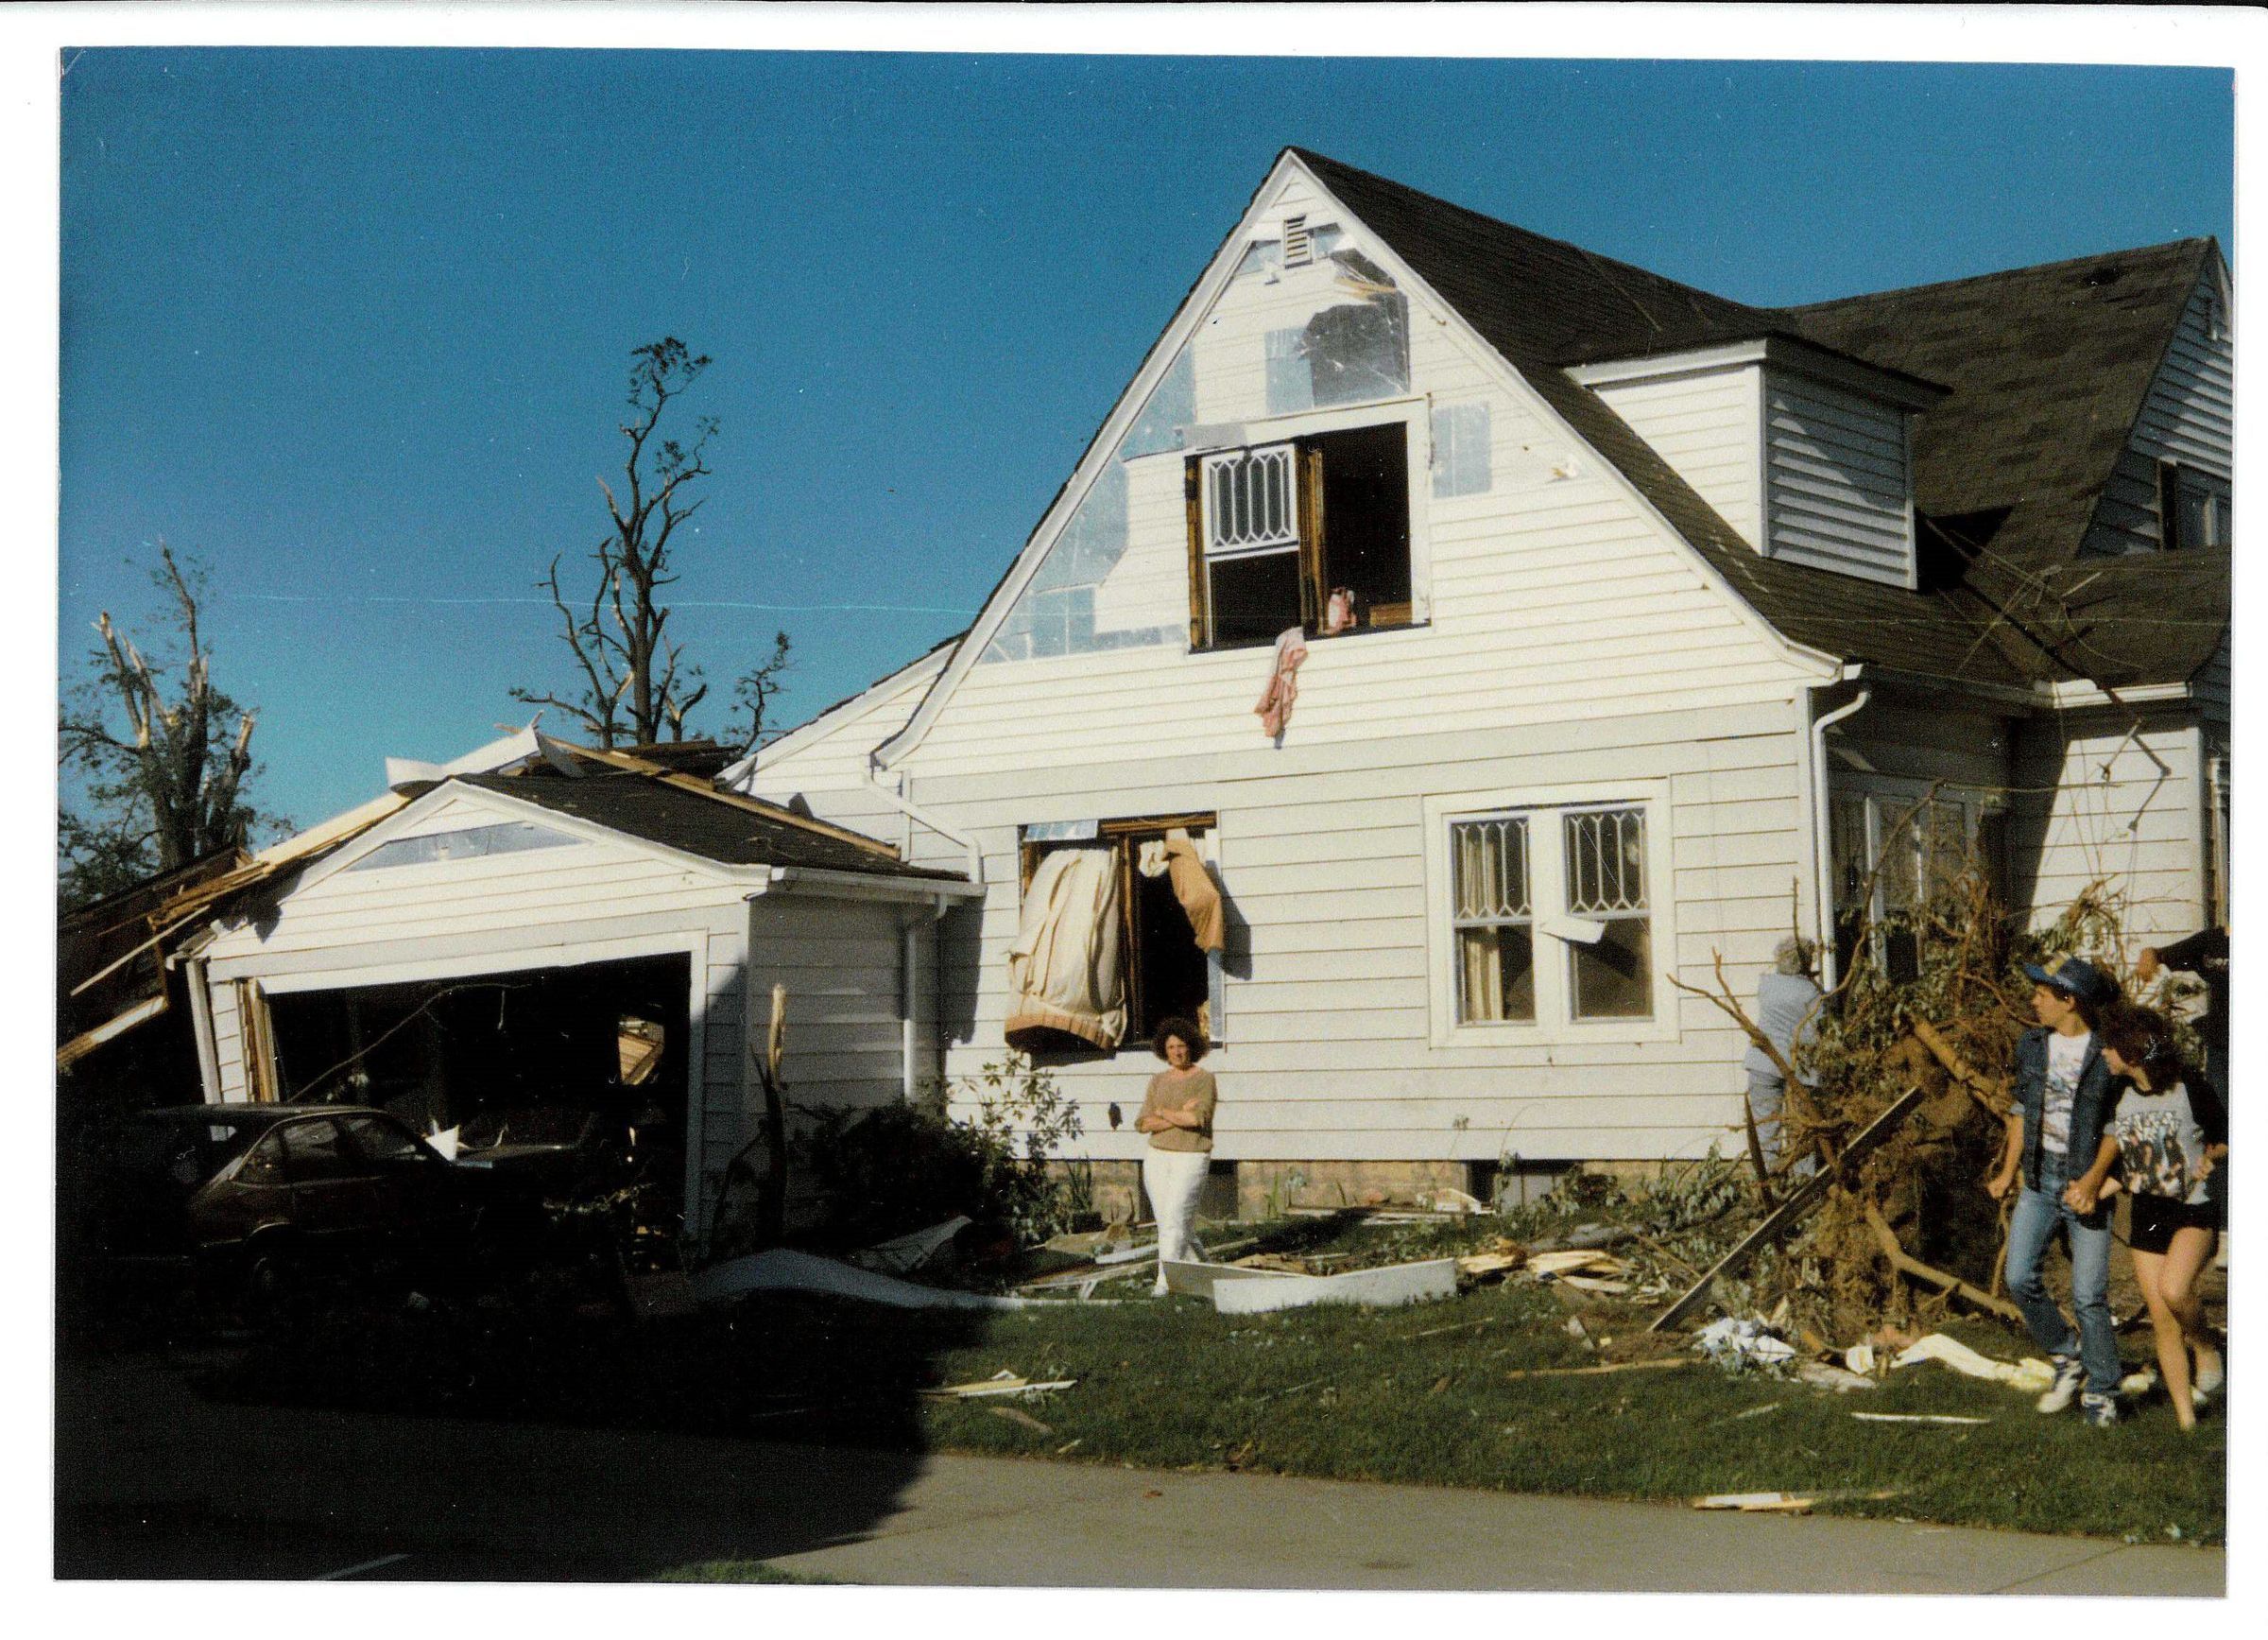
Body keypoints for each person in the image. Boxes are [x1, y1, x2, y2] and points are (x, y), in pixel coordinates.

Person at [2072, 1004, 2227, 1431]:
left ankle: (2205, 1344)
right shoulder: (2118, 1095)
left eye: (2111, 1046)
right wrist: (2095, 1190)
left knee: (2175, 1290)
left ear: (2133, 1050)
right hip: (2147, 1215)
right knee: (2162, 1320)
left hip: (2192, 1208)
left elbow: (2225, 1137)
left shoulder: (2189, 1086)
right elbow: (2132, 1164)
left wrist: (2212, 1158)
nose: (2104, 1053)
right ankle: (2186, 1421)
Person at [1986, 956, 2123, 1426]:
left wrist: (2092, 1181)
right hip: (2040, 1179)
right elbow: (2022, 1111)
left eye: (2043, 994)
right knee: (2018, 1277)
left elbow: (2117, 1128)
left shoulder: (2107, 1051)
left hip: (2087, 1183)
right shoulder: (2033, 1045)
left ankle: (2102, 1391)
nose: (2034, 1001)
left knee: (2088, 1296)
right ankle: (2067, 1355)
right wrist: (2008, 1172)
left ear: (2070, 1001)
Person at [1136, 1017, 1217, 1297]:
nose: (1177, 1052)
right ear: (1164, 1050)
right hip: (1157, 1157)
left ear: (1191, 1046)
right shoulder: (1157, 1081)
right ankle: (1206, 1272)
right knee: (1172, 1224)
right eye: (1171, 1047)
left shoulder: (1204, 1079)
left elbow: (1197, 1120)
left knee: (1175, 1219)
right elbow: (1142, 1124)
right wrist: (1178, 1114)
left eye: (1182, 1046)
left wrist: (1162, 1113)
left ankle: (1165, 1282)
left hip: (1190, 1157)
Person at [1744, 936, 1824, 1173]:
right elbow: (1817, 1032)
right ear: (1806, 961)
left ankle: (1767, 1180)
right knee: (1802, 1128)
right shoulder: (1811, 992)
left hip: (1763, 1062)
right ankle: (1804, 1182)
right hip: (1799, 1068)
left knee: (1765, 1131)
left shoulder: (1766, 984)